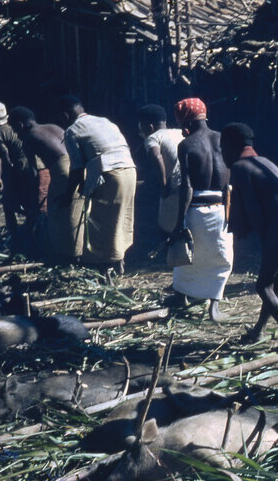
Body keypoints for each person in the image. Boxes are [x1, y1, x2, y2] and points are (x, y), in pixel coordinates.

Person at [221, 123, 278, 346]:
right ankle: (258, 332)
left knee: (263, 286)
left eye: (222, 148)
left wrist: (266, 244)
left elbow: (253, 212)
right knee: (274, 281)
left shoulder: (241, 167)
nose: (222, 154)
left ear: (231, 146)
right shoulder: (265, 162)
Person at [166, 98, 234, 323]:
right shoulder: (224, 139)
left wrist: (178, 223)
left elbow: (187, 186)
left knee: (187, 255)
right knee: (220, 255)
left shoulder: (186, 145)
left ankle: (181, 297)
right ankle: (214, 307)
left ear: (184, 122)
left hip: (196, 207)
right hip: (222, 208)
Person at [58, 95, 137, 274]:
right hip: (130, 170)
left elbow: (77, 169)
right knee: (120, 219)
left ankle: (105, 270)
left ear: (64, 115)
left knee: (100, 223)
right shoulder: (105, 121)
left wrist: (68, 196)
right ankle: (118, 263)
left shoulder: (72, 130)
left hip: (111, 174)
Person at [8, 106, 76, 262]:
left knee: (53, 211)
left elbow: (34, 172)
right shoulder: (54, 127)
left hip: (62, 168)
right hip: (78, 165)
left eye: (15, 130)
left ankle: (59, 253)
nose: (17, 134)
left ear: (20, 125)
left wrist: (33, 197)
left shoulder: (29, 137)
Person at [0, 100, 37, 254]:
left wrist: (4, 182)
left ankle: (16, 241)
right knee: (31, 202)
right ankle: (30, 232)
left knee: (8, 204)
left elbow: (7, 161)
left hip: (20, 169)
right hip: (33, 167)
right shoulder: (14, 129)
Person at [138, 104, 185, 235]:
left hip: (173, 190)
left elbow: (156, 156)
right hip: (190, 188)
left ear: (149, 126)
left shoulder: (153, 137)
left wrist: (163, 185)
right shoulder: (179, 132)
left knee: (166, 231)